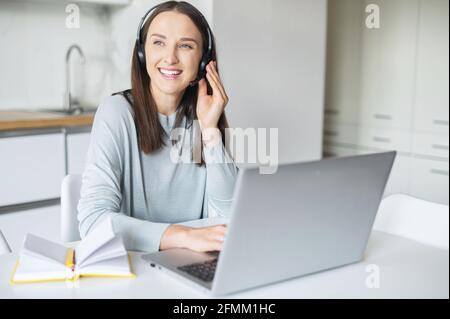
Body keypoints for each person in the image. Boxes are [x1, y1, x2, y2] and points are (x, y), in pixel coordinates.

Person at [77, 1, 238, 253]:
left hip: (191, 264)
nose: (170, 58)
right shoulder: (116, 112)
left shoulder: (204, 115)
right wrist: (184, 236)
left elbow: (230, 215)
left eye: (185, 45)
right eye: (159, 42)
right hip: (134, 265)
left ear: (204, 59)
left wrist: (210, 131)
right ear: (143, 53)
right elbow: (93, 221)